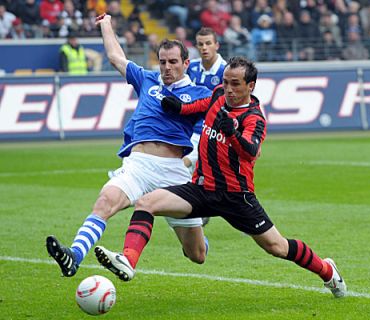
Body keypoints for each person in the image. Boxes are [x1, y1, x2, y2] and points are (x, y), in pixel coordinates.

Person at [94, 56, 347, 298]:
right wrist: (180, 107)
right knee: (146, 203)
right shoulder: (217, 95)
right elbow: (199, 105)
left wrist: (234, 134)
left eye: (235, 84)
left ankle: (327, 270)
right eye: (225, 82)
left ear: (251, 86)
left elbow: (251, 152)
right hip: (202, 189)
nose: (228, 88)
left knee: (277, 247)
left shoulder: (254, 118)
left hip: (236, 197)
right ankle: (128, 259)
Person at [45, 13, 212, 278]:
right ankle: (74, 256)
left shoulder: (200, 95)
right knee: (105, 201)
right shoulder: (147, 79)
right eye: (162, 62)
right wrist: (106, 24)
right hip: (138, 164)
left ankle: (200, 233)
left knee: (196, 255)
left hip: (174, 171)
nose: (167, 67)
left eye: (173, 62)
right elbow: (116, 58)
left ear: (186, 64)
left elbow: (206, 133)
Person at [186, 27, 227, 226]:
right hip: (193, 130)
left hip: (216, 131)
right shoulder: (191, 68)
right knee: (188, 166)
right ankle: (199, 210)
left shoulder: (226, 71)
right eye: (200, 44)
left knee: (228, 176)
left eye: (208, 43)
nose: (204, 48)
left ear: (216, 45)